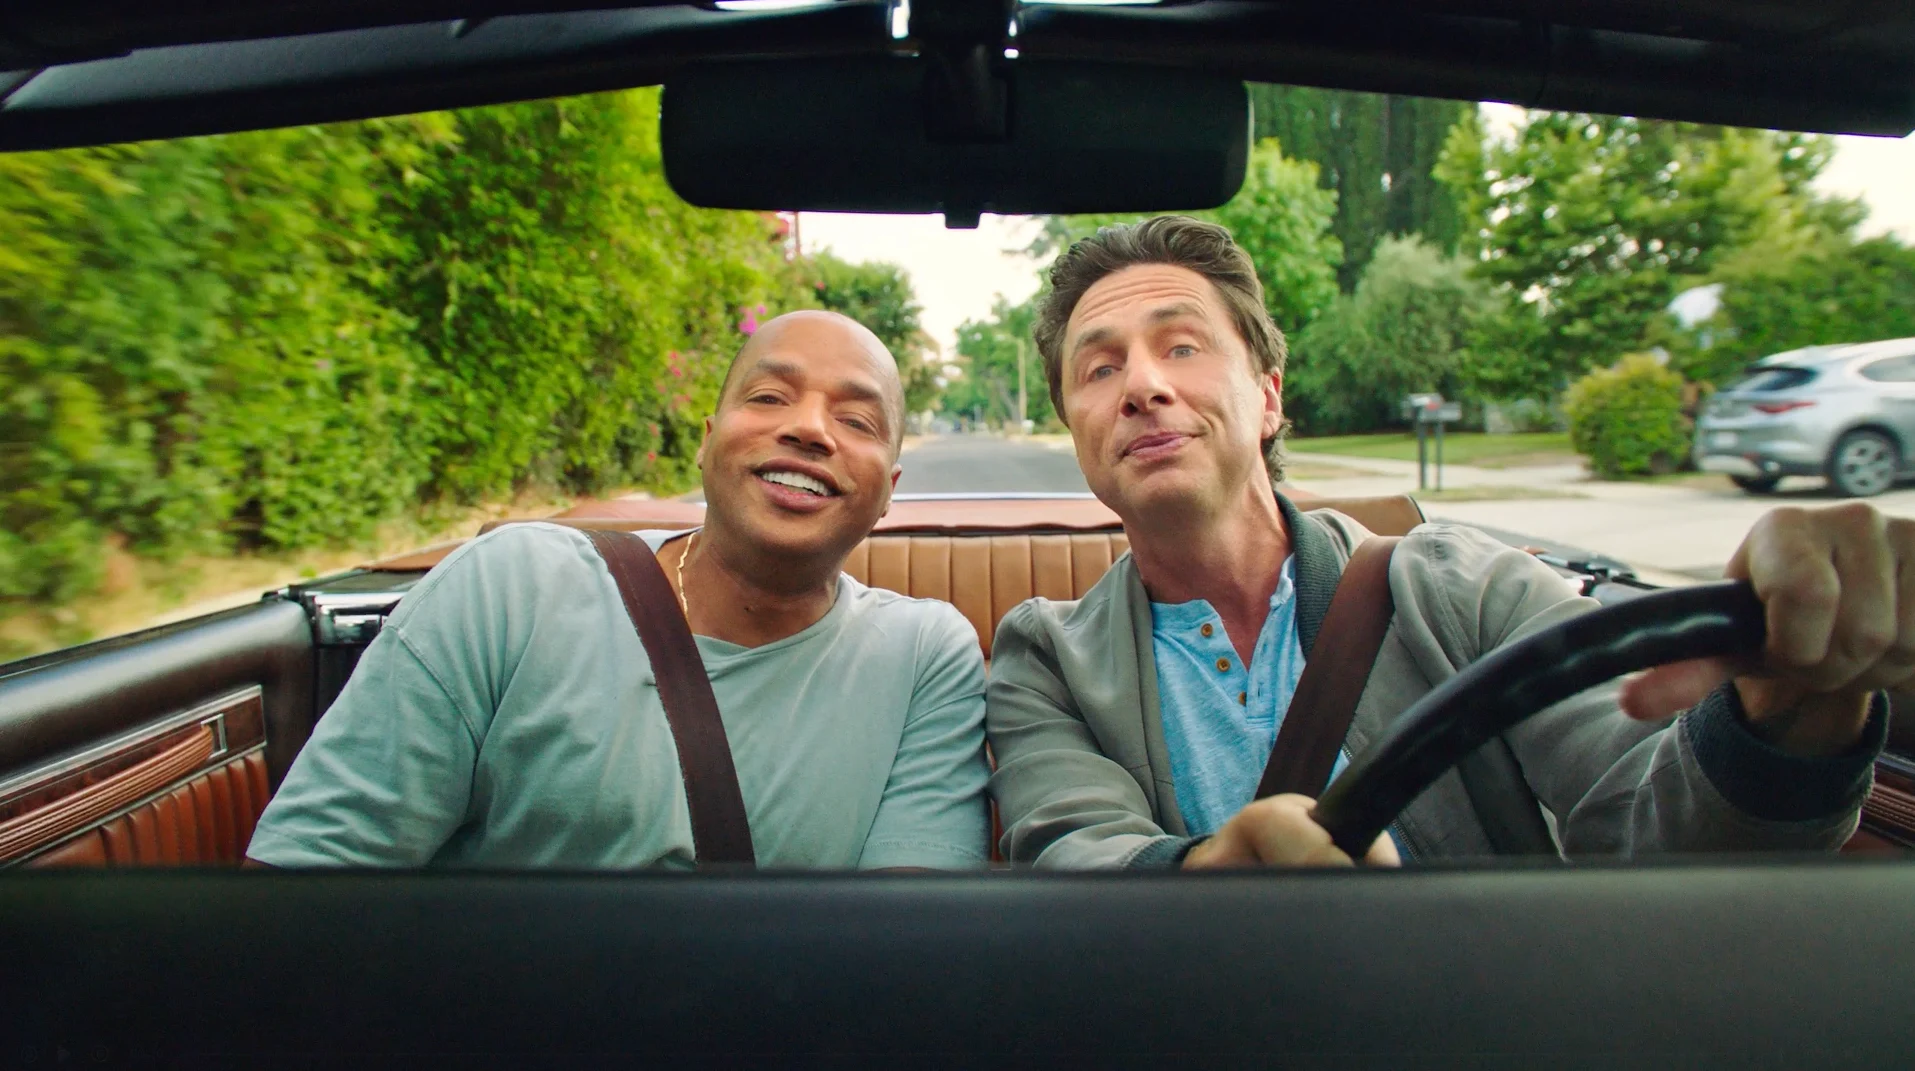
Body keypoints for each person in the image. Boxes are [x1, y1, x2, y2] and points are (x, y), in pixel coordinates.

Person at [985, 215, 1898, 870]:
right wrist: (1206, 873)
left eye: (1182, 347)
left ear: (1267, 397)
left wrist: (1788, 701)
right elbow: (1075, 851)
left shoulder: (1460, 584)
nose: (1141, 385)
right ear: (1074, 427)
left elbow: (1662, 835)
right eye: (1099, 367)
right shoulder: (1045, 655)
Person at [247, 311, 990, 869]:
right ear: (706, 440)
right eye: (769, 397)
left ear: (888, 491)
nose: (809, 429)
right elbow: (309, 886)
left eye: (855, 419)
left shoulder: (923, 655)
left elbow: (904, 948)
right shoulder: (513, 585)